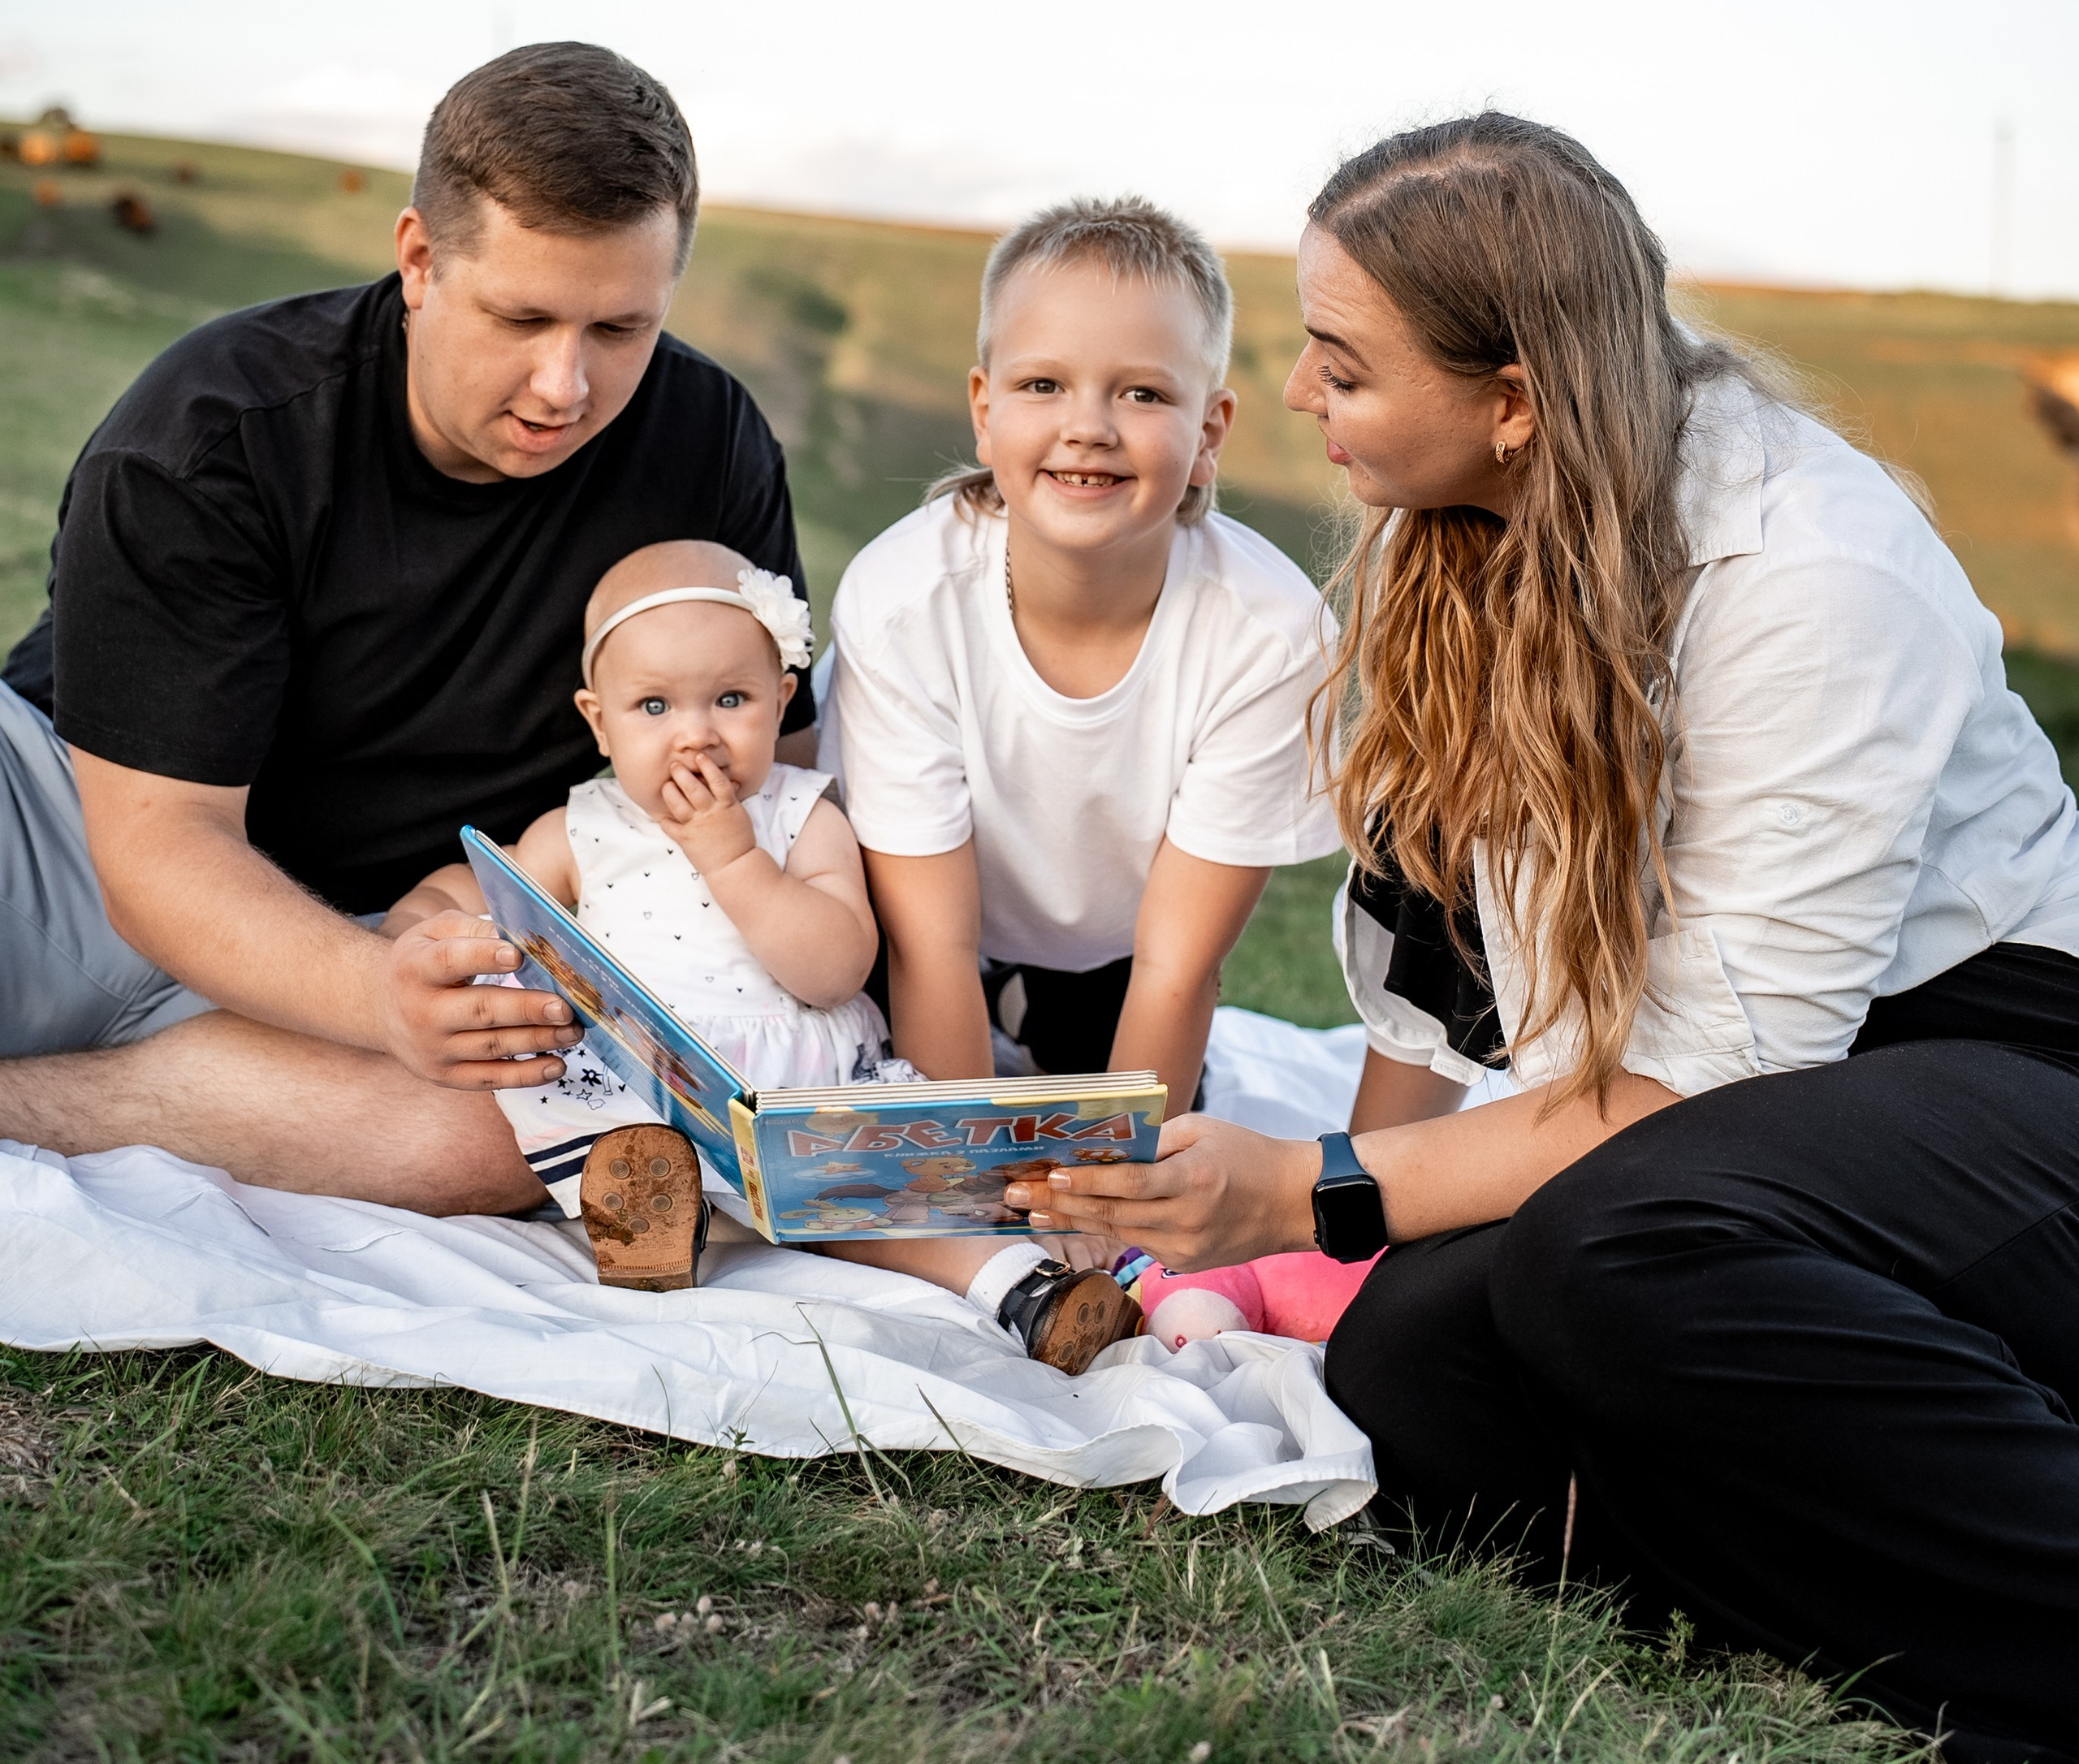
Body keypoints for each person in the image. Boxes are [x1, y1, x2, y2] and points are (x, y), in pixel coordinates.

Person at [1009, 115, 2079, 1764]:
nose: (1295, 396)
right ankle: (1867, 1563)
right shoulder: (1468, 526)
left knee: (1624, 1255)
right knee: (1415, 1373)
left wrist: (1300, 1192)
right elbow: (1454, 961)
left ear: (1511, 398)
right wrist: (1354, 1229)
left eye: (1340, 364)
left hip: (1994, 1067)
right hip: (1750, 1110)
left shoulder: (1812, 569)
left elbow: (1720, 1069)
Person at [0, 42, 816, 1217]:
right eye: (523, 316)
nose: (564, 386)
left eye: (620, 331)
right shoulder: (216, 431)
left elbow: (776, 779)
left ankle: (50, 1109)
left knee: (506, 1142)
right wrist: (377, 995)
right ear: (421, 259)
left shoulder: (709, 444)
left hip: (401, 927)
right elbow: (158, 850)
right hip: (73, 844)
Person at [387, 536, 1142, 1368]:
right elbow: (508, 910)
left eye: (730, 699)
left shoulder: (801, 814)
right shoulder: (577, 827)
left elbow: (834, 969)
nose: (694, 736)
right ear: (597, 721)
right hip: (650, 1084)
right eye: (653, 708)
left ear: (781, 702)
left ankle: (1026, 1291)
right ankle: (652, 1220)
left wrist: (733, 857)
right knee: (590, 1109)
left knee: (883, 1207)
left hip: (797, 1097)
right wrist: (425, 915)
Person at [823, 192, 1342, 1157]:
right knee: (862, 1066)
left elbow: (1178, 968)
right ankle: (1001, 1009)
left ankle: (1042, 1010)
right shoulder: (903, 601)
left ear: (1211, 431)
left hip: (1110, 945)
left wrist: (1106, 1191)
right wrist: (977, 1183)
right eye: (1043, 386)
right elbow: (928, 943)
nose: (1090, 427)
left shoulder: (1269, 635)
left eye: (1143, 394)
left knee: (1120, 1121)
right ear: (984, 411)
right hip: (916, 923)